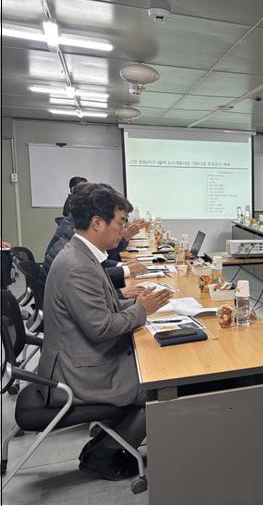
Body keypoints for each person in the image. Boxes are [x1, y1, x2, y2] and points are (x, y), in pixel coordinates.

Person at [37, 183, 173, 481]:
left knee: (157, 363)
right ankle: (105, 453)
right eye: (120, 223)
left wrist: (133, 302)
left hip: (78, 358)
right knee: (163, 384)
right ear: (97, 223)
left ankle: (105, 443)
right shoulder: (77, 265)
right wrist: (142, 309)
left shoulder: (83, 254)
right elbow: (102, 328)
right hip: (78, 373)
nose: (123, 231)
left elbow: (101, 308)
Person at [42, 184, 147, 292]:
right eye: (120, 223)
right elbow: (91, 273)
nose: (122, 228)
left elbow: (98, 261)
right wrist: (125, 269)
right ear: (97, 222)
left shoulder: (79, 235)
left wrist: (120, 266)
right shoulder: (76, 259)